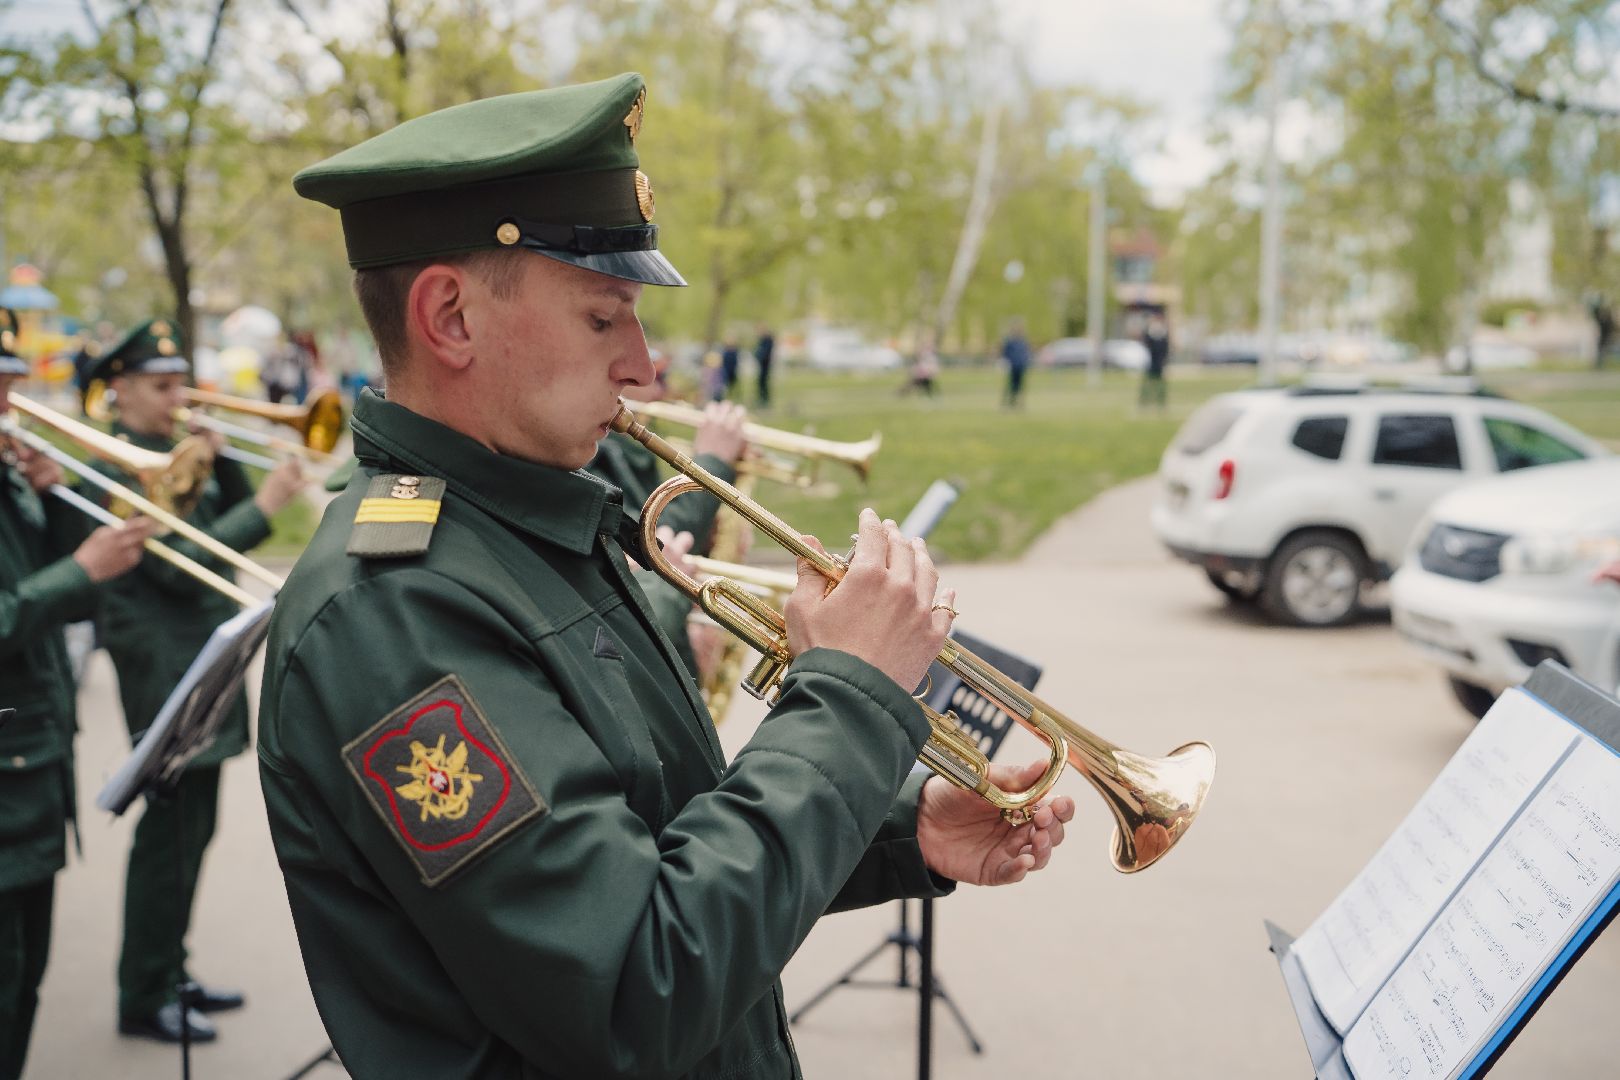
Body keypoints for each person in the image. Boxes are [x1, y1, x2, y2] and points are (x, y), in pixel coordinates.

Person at [261, 72, 1074, 1079]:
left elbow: (656, 842)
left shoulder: (527, 524)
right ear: (452, 318)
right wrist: (850, 701)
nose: (644, 366)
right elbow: (635, 984)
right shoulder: (392, 609)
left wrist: (903, 828)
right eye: (605, 319)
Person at [87, 320, 304, 1044]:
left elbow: (224, 524)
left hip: (201, 652)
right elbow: (176, 566)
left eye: (179, 382)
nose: (177, 397)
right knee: (170, 833)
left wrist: (223, 459)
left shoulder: (175, 452)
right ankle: (143, 990)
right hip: (161, 658)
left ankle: (169, 968)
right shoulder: (119, 466)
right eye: (160, 386)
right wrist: (266, 504)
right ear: (119, 389)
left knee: (193, 829)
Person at [0, 311, 156, 1079]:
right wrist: (77, 570)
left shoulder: (10, 477)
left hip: (36, 767)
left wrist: (56, 498)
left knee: (24, 981)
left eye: (9, 384)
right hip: (10, 774)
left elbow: (74, 598)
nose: (10, 404)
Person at [1139, 314, 1170, 411]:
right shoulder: (1150, 334)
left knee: (1160, 385)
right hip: (1150, 363)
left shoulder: (1163, 334)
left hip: (1159, 363)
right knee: (1147, 384)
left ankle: (1161, 402)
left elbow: (1165, 349)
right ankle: (1144, 402)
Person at [1000, 319, 1030, 408]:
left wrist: (1026, 361)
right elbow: (1005, 353)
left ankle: (1019, 402)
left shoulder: (1022, 341)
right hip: (1013, 366)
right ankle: (1010, 401)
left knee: (1020, 385)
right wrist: (1006, 362)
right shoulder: (1010, 342)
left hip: (1021, 366)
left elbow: (1026, 353)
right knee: (1011, 385)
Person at [754, 322, 775, 408]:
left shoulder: (768, 339)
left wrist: (760, 356)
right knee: (760, 382)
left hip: (765, 364)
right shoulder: (762, 340)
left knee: (764, 382)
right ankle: (761, 398)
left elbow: (765, 352)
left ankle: (765, 399)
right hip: (761, 364)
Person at [717, 336, 740, 401]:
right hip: (725, 371)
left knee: (732, 385)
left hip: (733, 371)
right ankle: (724, 397)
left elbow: (736, 362)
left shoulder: (735, 351)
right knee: (724, 385)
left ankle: (731, 396)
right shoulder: (724, 351)